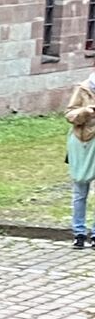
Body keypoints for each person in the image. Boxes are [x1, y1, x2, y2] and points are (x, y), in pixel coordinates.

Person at [65, 74, 95, 249]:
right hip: (82, 142)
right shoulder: (83, 88)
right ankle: (79, 233)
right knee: (80, 190)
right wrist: (85, 111)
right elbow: (69, 115)